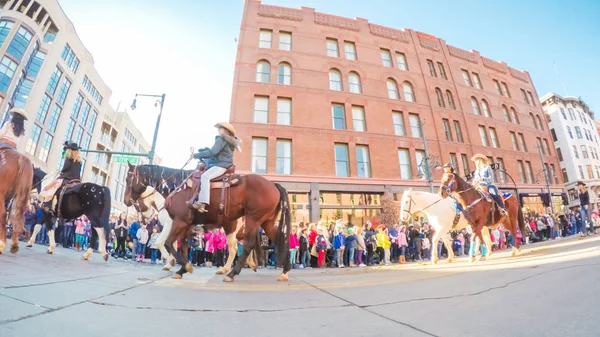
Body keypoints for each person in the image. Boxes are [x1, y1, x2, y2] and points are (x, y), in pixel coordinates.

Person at [188, 122, 242, 212]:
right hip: (225, 164)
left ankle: (202, 202)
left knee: (205, 176)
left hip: (221, 165)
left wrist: (196, 155)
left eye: (220, 128)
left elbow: (213, 152)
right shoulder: (229, 141)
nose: (218, 130)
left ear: (226, 131)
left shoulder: (221, 138)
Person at [38, 142, 82, 208]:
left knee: (53, 186)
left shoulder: (69, 159)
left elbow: (65, 169)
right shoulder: (79, 162)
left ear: (69, 151)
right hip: (77, 180)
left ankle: (48, 203)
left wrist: (61, 172)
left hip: (67, 178)